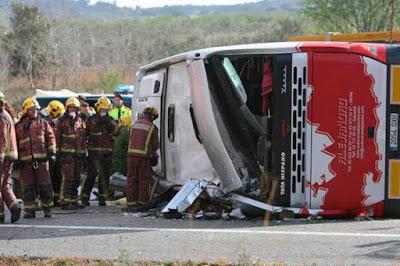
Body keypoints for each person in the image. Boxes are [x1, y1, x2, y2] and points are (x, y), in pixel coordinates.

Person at [15, 97, 56, 218]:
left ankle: (47, 209)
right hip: (25, 162)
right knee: (27, 186)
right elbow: (15, 142)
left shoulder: (43, 123)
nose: (35, 112)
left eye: (36, 109)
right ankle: (29, 210)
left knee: (45, 185)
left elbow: (51, 138)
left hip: (42, 161)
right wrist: (16, 159)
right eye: (32, 110)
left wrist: (52, 153)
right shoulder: (19, 126)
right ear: (26, 110)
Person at [81, 96, 118, 206]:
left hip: (107, 154)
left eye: (106, 110)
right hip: (93, 153)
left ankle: (102, 198)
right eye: (102, 109)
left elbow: (117, 132)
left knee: (104, 176)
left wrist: (110, 123)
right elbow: (84, 135)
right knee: (91, 176)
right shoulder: (90, 120)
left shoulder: (111, 120)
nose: (104, 112)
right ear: (98, 108)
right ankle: (84, 198)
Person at [124, 107, 159, 212]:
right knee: (144, 180)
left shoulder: (134, 125)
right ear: (152, 116)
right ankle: (142, 203)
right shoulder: (152, 127)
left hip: (131, 156)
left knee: (131, 179)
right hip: (143, 157)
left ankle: (131, 203)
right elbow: (155, 145)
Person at [57, 97, 86, 210]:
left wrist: (84, 153)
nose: (72, 109)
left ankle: (73, 200)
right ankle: (65, 200)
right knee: (68, 177)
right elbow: (58, 138)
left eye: (74, 107)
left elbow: (82, 138)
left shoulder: (80, 121)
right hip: (66, 154)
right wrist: (57, 153)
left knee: (77, 178)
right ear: (67, 108)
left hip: (77, 155)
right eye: (70, 107)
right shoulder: (62, 121)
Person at [0, 91, 21, 223]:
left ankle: (0, 214)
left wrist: (0, 157)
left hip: (3, 156)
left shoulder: (1, 118)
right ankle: (14, 207)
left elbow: (2, 139)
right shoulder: (6, 115)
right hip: (10, 155)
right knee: (5, 185)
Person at [42, 100, 65, 206]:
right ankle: (47, 200)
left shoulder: (60, 123)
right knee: (48, 178)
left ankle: (56, 198)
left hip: (59, 154)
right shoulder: (44, 122)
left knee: (58, 177)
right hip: (47, 155)